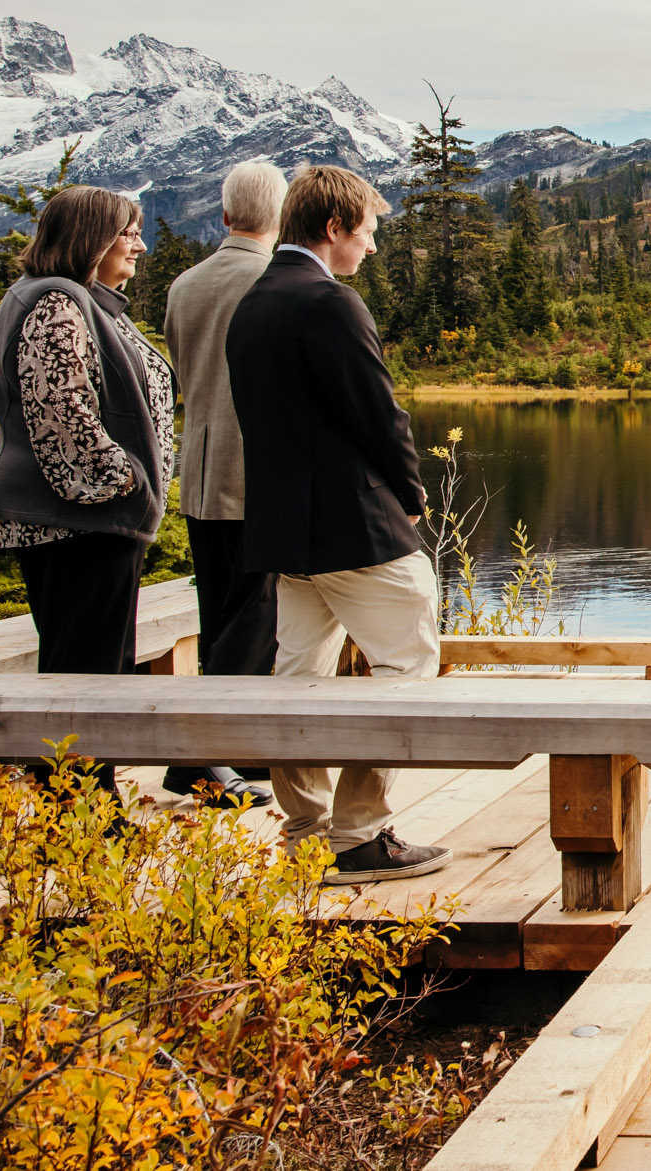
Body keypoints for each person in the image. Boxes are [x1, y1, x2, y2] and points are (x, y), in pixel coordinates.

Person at [228, 166, 450, 884]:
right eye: (368, 232)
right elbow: (376, 412)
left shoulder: (255, 302)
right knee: (408, 656)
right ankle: (359, 831)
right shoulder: (331, 303)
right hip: (351, 525)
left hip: (285, 532)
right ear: (334, 227)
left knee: (298, 673)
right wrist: (412, 492)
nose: (372, 248)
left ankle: (306, 828)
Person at [0, 186, 179, 799]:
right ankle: (76, 818)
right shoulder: (56, 303)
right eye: (128, 232)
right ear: (92, 238)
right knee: (84, 676)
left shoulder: (73, 299)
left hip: (89, 522)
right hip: (78, 523)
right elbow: (59, 408)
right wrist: (124, 481)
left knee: (95, 669)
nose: (140, 245)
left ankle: (87, 814)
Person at [158, 162, 288, 807]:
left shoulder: (184, 285)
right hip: (255, 470)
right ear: (279, 217)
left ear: (225, 211)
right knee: (256, 612)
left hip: (200, 470)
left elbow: (184, 368)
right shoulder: (273, 280)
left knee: (220, 611)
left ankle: (230, 748)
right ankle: (201, 757)